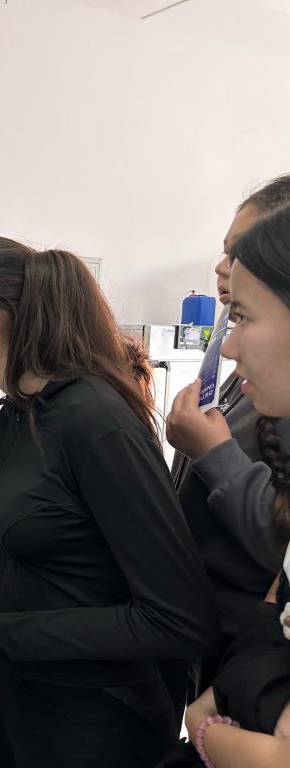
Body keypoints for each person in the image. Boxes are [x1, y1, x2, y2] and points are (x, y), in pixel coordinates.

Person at [0, 235, 220, 768]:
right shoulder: (20, 411)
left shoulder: (93, 420)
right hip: (26, 697)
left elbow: (177, 619)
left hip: (96, 721)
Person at [167, 175, 290, 698]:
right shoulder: (239, 353)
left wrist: (213, 454)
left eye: (238, 252)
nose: (222, 267)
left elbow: (277, 533)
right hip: (221, 628)